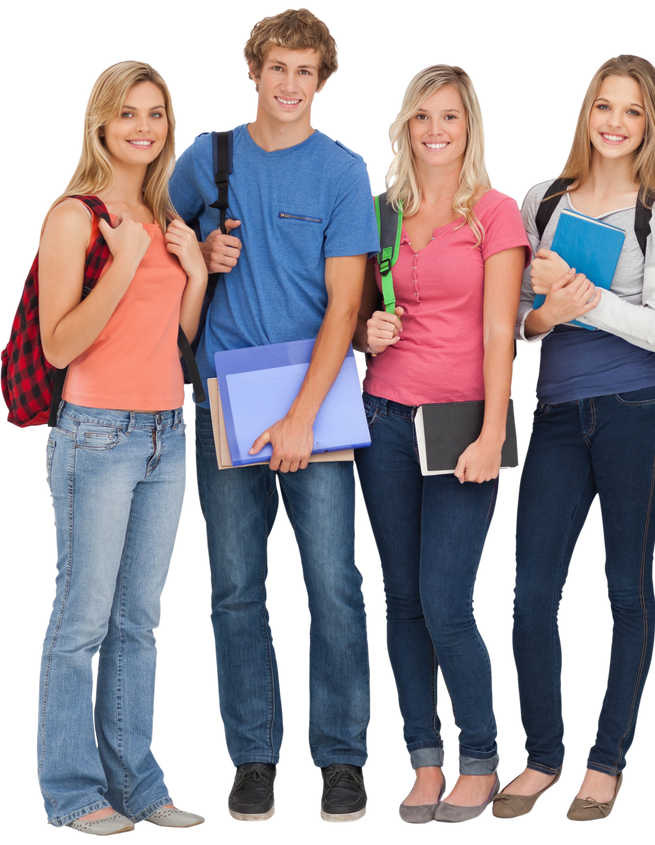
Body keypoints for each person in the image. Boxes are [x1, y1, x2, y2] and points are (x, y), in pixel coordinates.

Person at [168, 7, 378, 826]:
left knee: (331, 586)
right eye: (277, 68)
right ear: (253, 70)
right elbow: (158, 231)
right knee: (232, 590)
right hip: (222, 401)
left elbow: (345, 303)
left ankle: (343, 758)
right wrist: (198, 243)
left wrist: (300, 417)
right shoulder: (208, 155)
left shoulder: (343, 170)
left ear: (324, 80)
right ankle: (253, 757)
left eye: (306, 72)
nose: (289, 85)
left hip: (315, 403)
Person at [493, 52, 655, 824]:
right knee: (531, 594)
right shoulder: (540, 198)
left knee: (627, 590)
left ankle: (606, 763)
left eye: (633, 112)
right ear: (587, 113)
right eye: (604, 107)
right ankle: (543, 756)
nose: (615, 123)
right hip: (556, 416)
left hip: (638, 411)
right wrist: (549, 312)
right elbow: (521, 325)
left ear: (652, 125)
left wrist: (584, 297)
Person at [33, 58, 208, 837]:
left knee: (141, 621)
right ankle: (72, 792)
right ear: (100, 122)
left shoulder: (167, 211)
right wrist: (127, 262)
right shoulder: (76, 216)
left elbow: (180, 337)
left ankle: (140, 784)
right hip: (97, 437)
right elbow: (61, 341)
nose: (143, 127)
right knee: (82, 622)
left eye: (156, 114)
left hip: (168, 436)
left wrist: (194, 271)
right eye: (128, 113)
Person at [354, 62, 528, 827]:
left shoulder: (495, 212)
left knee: (447, 599)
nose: (435, 130)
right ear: (403, 125)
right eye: (422, 116)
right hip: (383, 416)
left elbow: (501, 333)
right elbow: (354, 316)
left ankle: (481, 757)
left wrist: (494, 431)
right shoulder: (379, 212)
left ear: (470, 127)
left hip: (461, 423)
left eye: (449, 117)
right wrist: (366, 336)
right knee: (400, 599)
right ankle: (424, 758)